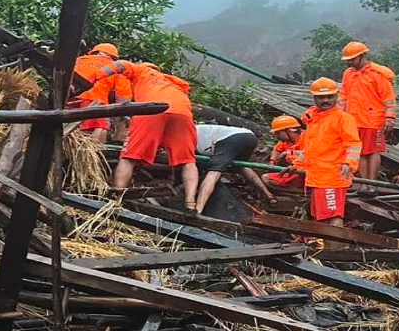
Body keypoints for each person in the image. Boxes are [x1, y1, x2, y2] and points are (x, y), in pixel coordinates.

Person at [89, 61, 198, 212]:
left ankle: (115, 200)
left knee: (129, 156)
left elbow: (120, 64)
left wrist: (94, 77)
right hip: (183, 113)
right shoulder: (172, 82)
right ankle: (191, 204)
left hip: (152, 109)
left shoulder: (141, 70)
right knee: (188, 161)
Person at [283, 77, 361, 228]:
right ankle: (327, 248)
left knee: (333, 216)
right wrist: (297, 165)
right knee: (322, 218)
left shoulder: (343, 118)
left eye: (329, 96)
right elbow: (311, 149)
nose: (325, 100)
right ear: (314, 98)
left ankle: (334, 251)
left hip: (332, 176)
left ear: (336, 96)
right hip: (317, 177)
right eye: (321, 97)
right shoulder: (313, 121)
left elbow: (353, 144)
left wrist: (349, 163)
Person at [339, 41, 396, 196]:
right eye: (348, 60)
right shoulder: (348, 74)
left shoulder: (378, 74)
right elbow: (343, 96)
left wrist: (389, 117)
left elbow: (389, 98)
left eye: (352, 59)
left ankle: (372, 184)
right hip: (354, 120)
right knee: (361, 152)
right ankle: (364, 185)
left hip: (374, 120)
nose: (350, 62)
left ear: (362, 55)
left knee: (373, 152)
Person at [194, 124, 277, 213]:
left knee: (214, 172)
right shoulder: (196, 129)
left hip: (230, 139)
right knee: (241, 166)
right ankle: (269, 195)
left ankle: (198, 209)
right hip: (249, 137)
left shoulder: (185, 133)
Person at [70, 43, 132, 142]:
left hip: (70, 97)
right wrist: (124, 112)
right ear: (113, 57)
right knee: (100, 126)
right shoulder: (115, 67)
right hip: (94, 98)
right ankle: (94, 153)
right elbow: (123, 93)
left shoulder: (79, 60)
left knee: (71, 127)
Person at [261, 115, 305, 194]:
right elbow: (276, 150)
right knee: (266, 178)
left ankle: (305, 192)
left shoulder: (308, 138)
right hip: (294, 173)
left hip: (309, 173)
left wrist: (288, 153)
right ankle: (298, 192)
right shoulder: (285, 142)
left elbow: (309, 153)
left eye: (278, 133)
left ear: (289, 130)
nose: (276, 136)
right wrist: (272, 161)